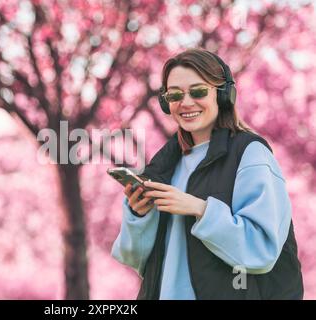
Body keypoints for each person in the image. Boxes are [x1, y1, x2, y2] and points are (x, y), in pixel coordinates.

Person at [111, 48, 303, 300]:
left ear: (223, 95)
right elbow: (136, 259)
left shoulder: (250, 155)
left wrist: (200, 209)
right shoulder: (164, 164)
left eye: (198, 91)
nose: (186, 102)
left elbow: (261, 250)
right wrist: (139, 215)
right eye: (175, 94)